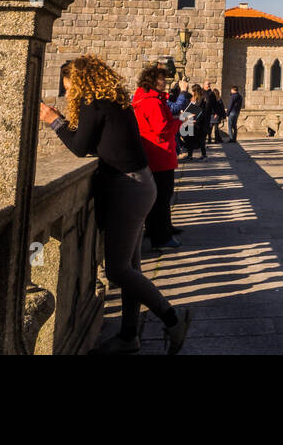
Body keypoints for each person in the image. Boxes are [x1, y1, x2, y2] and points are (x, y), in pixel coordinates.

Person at [40, 56, 192, 354]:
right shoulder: (110, 102)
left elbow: (79, 147)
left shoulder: (93, 103)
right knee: (131, 267)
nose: (68, 93)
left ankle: (173, 319)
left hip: (128, 188)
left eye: (69, 87)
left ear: (81, 83)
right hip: (140, 183)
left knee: (118, 270)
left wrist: (53, 121)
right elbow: (92, 140)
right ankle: (128, 335)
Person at [133, 64, 184, 251]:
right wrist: (180, 122)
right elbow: (161, 129)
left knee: (160, 196)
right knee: (162, 196)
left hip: (153, 153)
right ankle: (161, 236)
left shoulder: (146, 98)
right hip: (159, 154)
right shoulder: (152, 101)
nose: (165, 82)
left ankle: (164, 229)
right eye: (162, 79)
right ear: (153, 81)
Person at [181, 82, 212, 158]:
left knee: (200, 139)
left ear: (195, 91)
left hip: (199, 123)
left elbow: (202, 112)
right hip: (191, 121)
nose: (191, 92)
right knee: (190, 139)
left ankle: (203, 154)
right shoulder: (192, 99)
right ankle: (190, 155)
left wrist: (196, 120)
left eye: (192, 90)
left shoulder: (201, 100)